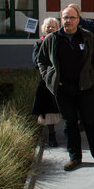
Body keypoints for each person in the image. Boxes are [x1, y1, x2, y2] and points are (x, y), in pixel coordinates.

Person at [37, 6, 94, 171]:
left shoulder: (88, 37)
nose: (68, 21)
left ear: (78, 19)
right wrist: (50, 79)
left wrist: (92, 79)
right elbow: (41, 61)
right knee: (70, 123)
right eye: (65, 18)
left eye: (72, 17)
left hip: (86, 88)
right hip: (63, 91)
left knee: (91, 121)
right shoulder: (53, 39)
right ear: (61, 19)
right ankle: (75, 157)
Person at [68, 3, 94, 130]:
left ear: (79, 12)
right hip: (76, 69)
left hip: (92, 67)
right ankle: (81, 121)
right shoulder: (67, 28)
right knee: (79, 95)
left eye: (75, 11)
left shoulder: (89, 25)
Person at [32, 17, 61, 147]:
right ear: (44, 28)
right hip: (46, 81)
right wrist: (50, 72)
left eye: (53, 27)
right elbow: (36, 62)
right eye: (48, 27)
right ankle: (51, 134)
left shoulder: (61, 42)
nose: (50, 29)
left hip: (62, 80)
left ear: (57, 28)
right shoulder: (39, 43)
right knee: (49, 109)